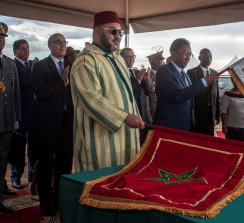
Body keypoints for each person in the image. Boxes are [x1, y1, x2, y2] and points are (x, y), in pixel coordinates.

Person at [70, 11, 144, 172]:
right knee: (98, 189)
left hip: (126, 139)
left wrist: (136, 120)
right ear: (97, 31)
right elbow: (92, 99)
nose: (118, 36)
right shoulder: (85, 60)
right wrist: (124, 117)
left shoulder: (118, 58)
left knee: (122, 188)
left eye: (120, 32)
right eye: (112, 31)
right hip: (99, 143)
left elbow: (128, 96)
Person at [32, 33, 73, 216]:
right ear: (50, 45)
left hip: (67, 123)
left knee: (65, 164)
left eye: (64, 42)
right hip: (47, 124)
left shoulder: (71, 66)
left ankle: (59, 199)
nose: (62, 45)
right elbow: (40, 92)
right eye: (58, 42)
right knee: (47, 165)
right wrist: (63, 83)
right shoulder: (41, 66)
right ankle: (45, 203)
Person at [154, 38, 219, 131]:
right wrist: (204, 81)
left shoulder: (185, 75)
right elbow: (177, 95)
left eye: (190, 54)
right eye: (185, 54)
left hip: (186, 126)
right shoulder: (164, 71)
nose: (188, 58)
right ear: (173, 53)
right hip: (170, 128)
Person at [11, 40, 38, 192]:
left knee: (33, 148)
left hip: (33, 114)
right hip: (21, 115)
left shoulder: (30, 65)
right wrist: (33, 73)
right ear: (15, 51)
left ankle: (32, 174)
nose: (27, 51)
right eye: (23, 49)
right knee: (18, 148)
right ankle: (15, 178)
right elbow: (18, 85)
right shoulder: (13, 65)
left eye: (28, 48)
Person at [0, 22, 21, 213]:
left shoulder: (9, 63)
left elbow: (15, 95)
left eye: (2, 38)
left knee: (1, 163)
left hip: (6, 123)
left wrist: (16, 119)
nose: (0, 41)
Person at [120, 47, 151, 145]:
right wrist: (137, 80)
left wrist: (145, 80)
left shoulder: (137, 72)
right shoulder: (120, 73)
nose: (131, 59)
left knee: (142, 143)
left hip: (142, 113)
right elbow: (127, 92)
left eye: (133, 56)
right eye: (128, 56)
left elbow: (148, 92)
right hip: (130, 115)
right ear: (121, 58)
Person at [187, 48, 220, 136]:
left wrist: (217, 114)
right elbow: (190, 94)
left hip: (211, 113)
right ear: (199, 58)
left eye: (210, 56)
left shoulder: (214, 73)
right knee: (198, 138)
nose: (208, 58)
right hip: (198, 114)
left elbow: (216, 95)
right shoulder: (192, 73)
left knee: (209, 139)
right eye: (205, 56)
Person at [221, 78, 244, 142]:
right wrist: (224, 125)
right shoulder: (227, 94)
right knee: (231, 149)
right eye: (236, 80)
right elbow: (223, 111)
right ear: (233, 81)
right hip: (232, 129)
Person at [145, 51, 165, 124]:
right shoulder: (148, 77)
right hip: (154, 115)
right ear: (156, 63)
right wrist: (149, 121)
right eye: (162, 61)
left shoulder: (164, 76)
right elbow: (146, 102)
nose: (164, 63)